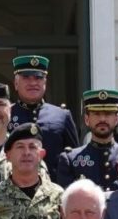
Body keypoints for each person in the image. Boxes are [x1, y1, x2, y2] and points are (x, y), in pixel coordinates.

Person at [7, 54, 80, 182]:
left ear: (45, 82)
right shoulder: (6, 115)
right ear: (16, 83)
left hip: (54, 190)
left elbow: (73, 158)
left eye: (38, 78)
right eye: (26, 78)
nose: (33, 83)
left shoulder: (62, 116)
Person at [61, 88, 118, 191]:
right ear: (87, 119)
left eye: (108, 114)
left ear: (116, 119)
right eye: (96, 114)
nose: (102, 119)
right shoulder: (71, 159)